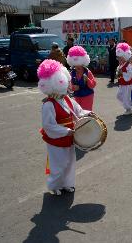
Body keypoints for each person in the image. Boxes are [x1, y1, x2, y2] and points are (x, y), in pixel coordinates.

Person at [38, 59, 91, 195]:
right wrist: (65, 131)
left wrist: (89, 113)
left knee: (69, 162)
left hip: (69, 137)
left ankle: (67, 183)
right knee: (58, 164)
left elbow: (78, 111)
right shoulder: (48, 104)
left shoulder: (66, 99)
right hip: (57, 139)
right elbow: (48, 125)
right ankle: (54, 186)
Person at [67, 46, 96, 111]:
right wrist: (73, 87)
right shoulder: (72, 73)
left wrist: (87, 79)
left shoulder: (87, 72)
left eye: (79, 64)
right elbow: (69, 87)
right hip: (77, 96)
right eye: (75, 65)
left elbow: (93, 85)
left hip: (87, 96)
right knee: (78, 113)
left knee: (86, 113)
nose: (77, 67)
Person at [116, 43, 132, 115]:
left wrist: (122, 73)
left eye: (120, 58)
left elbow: (130, 75)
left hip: (127, 84)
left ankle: (129, 109)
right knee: (119, 95)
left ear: (124, 56)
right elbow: (118, 73)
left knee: (126, 96)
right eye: (118, 57)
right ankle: (128, 104)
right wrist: (118, 74)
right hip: (122, 83)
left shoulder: (129, 65)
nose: (118, 59)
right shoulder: (120, 64)